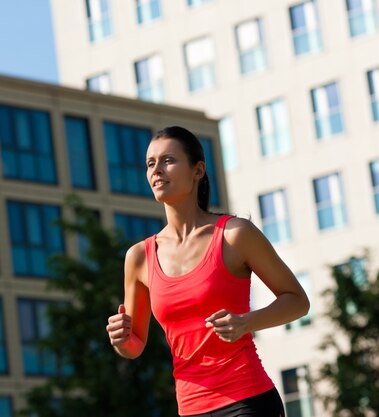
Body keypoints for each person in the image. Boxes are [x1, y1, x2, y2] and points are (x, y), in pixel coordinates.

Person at [105, 126, 310, 417]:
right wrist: (121, 339)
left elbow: (298, 301)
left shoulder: (234, 235)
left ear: (198, 170)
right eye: (151, 163)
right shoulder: (139, 257)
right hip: (190, 408)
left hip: (247, 399)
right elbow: (135, 345)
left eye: (168, 160)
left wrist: (245, 322)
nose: (157, 170)